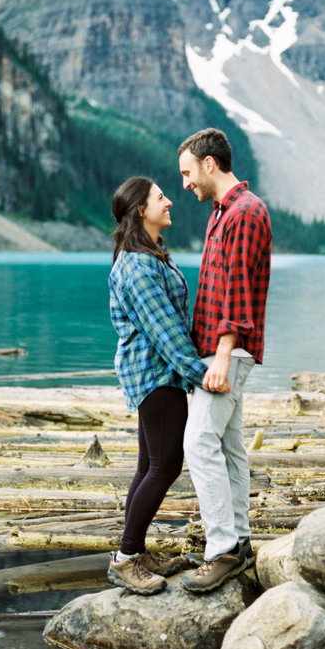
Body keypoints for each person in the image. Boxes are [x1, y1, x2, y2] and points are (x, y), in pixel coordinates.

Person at [178, 128, 272, 593]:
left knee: (197, 444)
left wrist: (221, 355)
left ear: (209, 164)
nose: (185, 183)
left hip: (228, 352)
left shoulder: (245, 212)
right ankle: (242, 540)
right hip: (220, 351)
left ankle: (223, 550)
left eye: (188, 172)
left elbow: (237, 292)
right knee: (230, 446)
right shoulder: (223, 211)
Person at [107, 176, 209, 595]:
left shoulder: (150, 256)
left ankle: (135, 550)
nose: (170, 201)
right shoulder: (138, 266)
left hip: (154, 375)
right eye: (160, 197)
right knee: (165, 466)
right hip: (156, 375)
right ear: (140, 210)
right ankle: (125, 557)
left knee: (148, 467)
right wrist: (206, 376)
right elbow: (165, 331)